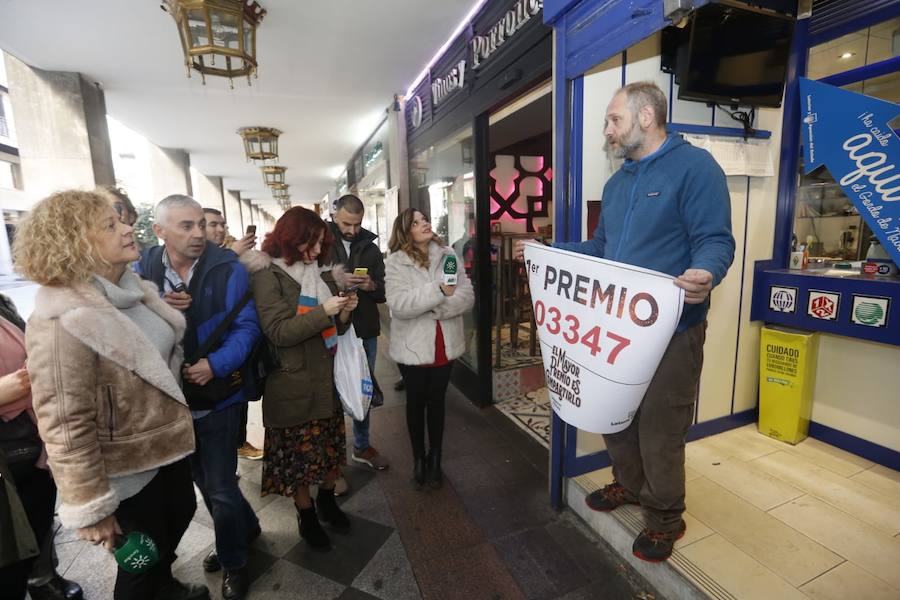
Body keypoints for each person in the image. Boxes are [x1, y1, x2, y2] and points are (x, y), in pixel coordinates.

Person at [516, 81, 735, 562]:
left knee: (660, 427)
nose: (608, 130)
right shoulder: (617, 185)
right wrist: (549, 253)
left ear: (645, 117)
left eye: (614, 120)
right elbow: (600, 252)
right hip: (614, 327)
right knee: (615, 417)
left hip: (673, 332)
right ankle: (630, 486)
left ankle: (664, 517)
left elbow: (716, 240)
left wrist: (707, 273)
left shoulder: (696, 168)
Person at [14, 190, 205, 600]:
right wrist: (91, 504)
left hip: (165, 448)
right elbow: (63, 421)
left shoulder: (134, 291)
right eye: (110, 225)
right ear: (76, 243)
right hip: (123, 468)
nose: (126, 229)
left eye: (122, 221)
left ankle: (165, 587)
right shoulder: (62, 319)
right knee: (140, 560)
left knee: (179, 518)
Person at [137, 195, 261, 600]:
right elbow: (132, 321)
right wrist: (159, 307)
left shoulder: (227, 268)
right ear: (160, 231)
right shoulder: (146, 268)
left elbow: (247, 328)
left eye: (200, 225)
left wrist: (216, 364)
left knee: (221, 485)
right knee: (204, 481)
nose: (198, 234)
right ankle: (245, 529)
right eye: (186, 226)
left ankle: (234, 561)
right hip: (174, 398)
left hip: (220, 395)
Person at [241, 207, 356, 551]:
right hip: (291, 381)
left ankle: (327, 501)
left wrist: (345, 312)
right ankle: (306, 516)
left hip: (327, 377)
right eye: (313, 242)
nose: (319, 251)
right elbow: (278, 331)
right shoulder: (267, 275)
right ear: (292, 238)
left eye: (322, 243)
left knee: (330, 451)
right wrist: (325, 312)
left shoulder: (321, 272)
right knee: (298, 461)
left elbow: (337, 328)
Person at [0, 295, 84, 600]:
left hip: (32, 439)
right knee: (9, 550)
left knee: (36, 522)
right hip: (10, 451)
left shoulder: (4, 302)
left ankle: (42, 578)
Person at [384, 209, 474, 489]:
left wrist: (439, 308)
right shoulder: (396, 262)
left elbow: (465, 295)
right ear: (405, 231)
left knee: (437, 403)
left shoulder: (448, 255)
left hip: (443, 344)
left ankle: (436, 458)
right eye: (416, 222)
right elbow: (399, 305)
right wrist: (437, 292)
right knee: (415, 403)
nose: (424, 224)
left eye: (425, 220)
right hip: (412, 347)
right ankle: (418, 459)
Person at [328, 194, 389, 480]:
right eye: (346, 224)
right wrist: (337, 284)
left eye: (357, 224)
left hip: (364, 327)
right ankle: (333, 458)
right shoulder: (322, 243)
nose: (352, 230)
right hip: (329, 328)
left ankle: (361, 446)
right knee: (332, 391)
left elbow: (382, 291)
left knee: (364, 387)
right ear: (334, 215)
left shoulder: (371, 247)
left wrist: (369, 283)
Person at [202, 207, 263, 462]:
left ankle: (237, 443)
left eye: (222, 224)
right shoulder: (197, 263)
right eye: (212, 224)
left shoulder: (230, 258)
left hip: (235, 347)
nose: (219, 229)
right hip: (208, 356)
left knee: (239, 399)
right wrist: (231, 255)